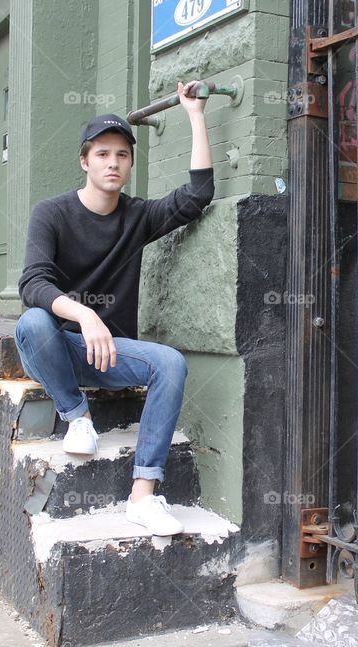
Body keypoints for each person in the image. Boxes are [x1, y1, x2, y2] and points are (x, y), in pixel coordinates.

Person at [15, 81, 213, 536]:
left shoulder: (137, 216)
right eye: (102, 153)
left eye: (122, 155)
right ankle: (77, 416)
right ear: (84, 161)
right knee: (33, 321)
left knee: (170, 363)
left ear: (129, 164)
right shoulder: (51, 213)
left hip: (109, 356)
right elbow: (33, 283)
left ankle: (143, 495)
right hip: (58, 350)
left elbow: (198, 195)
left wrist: (195, 115)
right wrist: (84, 315)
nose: (113, 162)